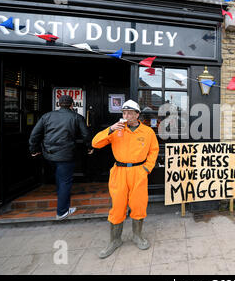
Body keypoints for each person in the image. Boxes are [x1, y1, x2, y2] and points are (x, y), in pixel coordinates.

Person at [92, 99, 159, 259]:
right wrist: (110, 129)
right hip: (120, 172)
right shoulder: (116, 130)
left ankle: (137, 236)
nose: (126, 116)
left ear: (137, 115)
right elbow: (95, 143)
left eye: (129, 113)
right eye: (124, 113)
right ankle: (115, 240)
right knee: (118, 206)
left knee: (138, 204)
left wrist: (146, 169)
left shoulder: (147, 132)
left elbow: (154, 151)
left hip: (138, 172)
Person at [29, 95, 93, 220]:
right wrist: (90, 147)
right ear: (71, 105)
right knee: (64, 181)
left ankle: (62, 201)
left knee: (60, 178)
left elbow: (34, 134)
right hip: (66, 154)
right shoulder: (77, 117)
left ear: (59, 104)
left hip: (49, 154)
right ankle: (62, 211)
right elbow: (86, 135)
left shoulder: (47, 116)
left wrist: (34, 149)